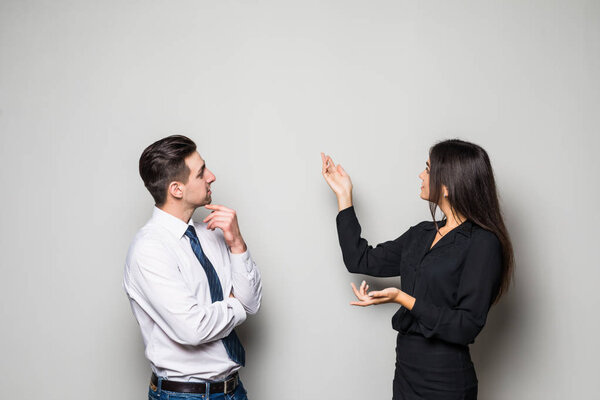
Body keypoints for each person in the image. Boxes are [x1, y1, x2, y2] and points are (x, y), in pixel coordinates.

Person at [321, 139, 514, 400]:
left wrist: (402, 298)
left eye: (428, 168)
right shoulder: (421, 234)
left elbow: (466, 325)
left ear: (447, 184)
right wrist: (344, 196)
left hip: (446, 383)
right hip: (406, 374)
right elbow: (360, 260)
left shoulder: (482, 243)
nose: (421, 175)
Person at [124, 135, 262, 400]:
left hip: (233, 390)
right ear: (177, 189)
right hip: (184, 396)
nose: (211, 176)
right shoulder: (149, 250)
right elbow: (194, 329)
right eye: (201, 173)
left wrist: (237, 243)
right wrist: (236, 304)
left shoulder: (212, 234)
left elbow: (252, 302)